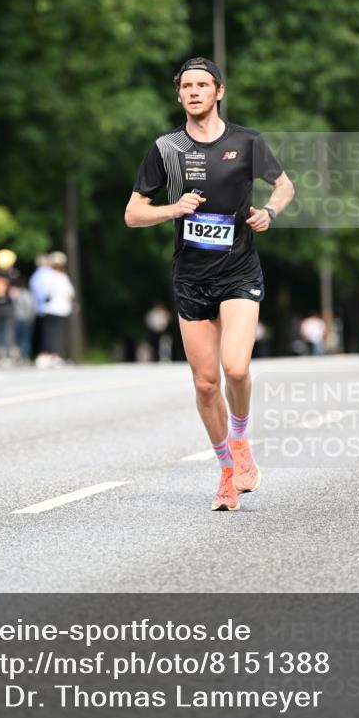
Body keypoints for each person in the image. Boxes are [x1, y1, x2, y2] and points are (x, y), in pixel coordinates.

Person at [125, 56, 294, 511]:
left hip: (239, 270)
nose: (195, 91)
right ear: (178, 95)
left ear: (219, 91)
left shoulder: (247, 141)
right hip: (190, 277)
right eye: (187, 86)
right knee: (204, 384)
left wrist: (269, 212)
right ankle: (225, 472)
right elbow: (133, 212)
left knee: (235, 368)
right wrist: (171, 210)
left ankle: (241, 442)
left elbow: (284, 186)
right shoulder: (166, 149)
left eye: (203, 84)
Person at [39, 251, 75, 364]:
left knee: (49, 333)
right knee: (59, 333)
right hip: (61, 309)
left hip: (49, 308)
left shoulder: (47, 277)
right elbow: (71, 294)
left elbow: (43, 292)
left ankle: (47, 354)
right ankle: (55, 355)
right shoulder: (63, 277)